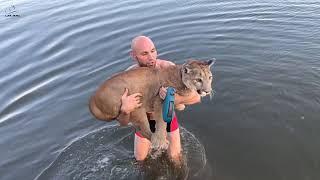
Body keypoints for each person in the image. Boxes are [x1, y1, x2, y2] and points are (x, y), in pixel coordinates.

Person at [116, 35, 201, 164]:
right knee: (140, 160)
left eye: (153, 50)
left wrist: (173, 98)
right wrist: (124, 110)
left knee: (176, 159)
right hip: (144, 122)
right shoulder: (129, 77)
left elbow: (196, 98)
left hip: (167, 118)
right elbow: (122, 122)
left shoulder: (168, 68)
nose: (151, 58)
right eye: (145, 54)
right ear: (133, 56)